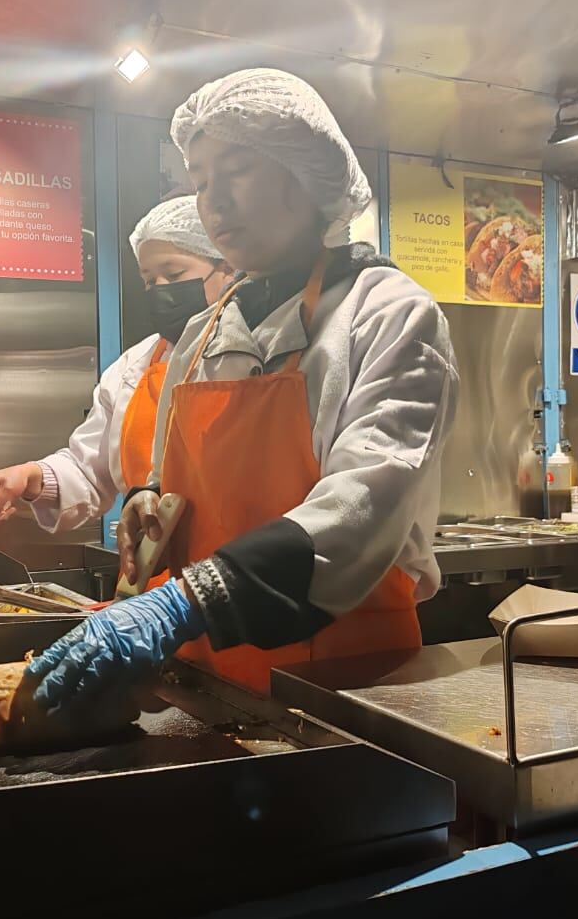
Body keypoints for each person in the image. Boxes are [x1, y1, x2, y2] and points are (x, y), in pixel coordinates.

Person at [28, 68, 459, 708]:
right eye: (200, 181)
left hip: (349, 682)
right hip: (211, 676)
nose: (215, 201)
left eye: (237, 170)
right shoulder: (205, 332)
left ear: (304, 172)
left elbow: (363, 506)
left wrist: (181, 603)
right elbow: (175, 490)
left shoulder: (390, 314)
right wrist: (148, 517)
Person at [0, 195, 235, 533]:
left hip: (241, 572)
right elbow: (89, 470)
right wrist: (30, 476)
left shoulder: (263, 352)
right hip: (148, 576)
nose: (160, 289)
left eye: (174, 274)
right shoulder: (136, 366)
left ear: (229, 267)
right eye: (149, 280)